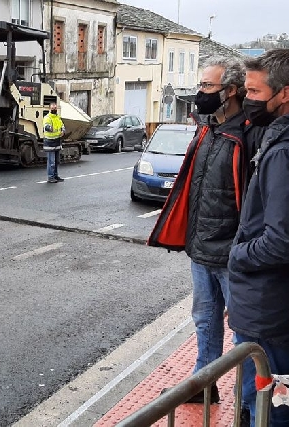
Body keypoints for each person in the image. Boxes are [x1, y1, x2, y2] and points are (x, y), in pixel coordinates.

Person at [148, 56, 262, 404]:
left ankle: (248, 405)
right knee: (204, 322)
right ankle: (203, 387)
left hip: (233, 257)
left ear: (230, 91)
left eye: (207, 86)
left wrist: (243, 251)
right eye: (201, 86)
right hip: (201, 252)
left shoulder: (248, 134)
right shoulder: (208, 128)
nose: (200, 93)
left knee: (244, 335)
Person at [228, 48, 289, 427]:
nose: (247, 101)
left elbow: (280, 240)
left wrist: (238, 256)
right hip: (265, 305)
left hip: (268, 311)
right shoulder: (273, 138)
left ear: (284, 94)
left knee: (266, 408)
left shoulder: (281, 152)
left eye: (254, 93)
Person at [43, 102, 65, 183]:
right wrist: (51, 129)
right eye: (52, 108)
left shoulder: (58, 117)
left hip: (57, 141)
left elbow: (62, 125)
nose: (54, 109)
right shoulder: (47, 117)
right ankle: (50, 177)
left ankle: (55, 175)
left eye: (55, 108)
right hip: (49, 142)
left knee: (56, 161)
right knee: (51, 162)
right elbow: (46, 126)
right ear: (49, 109)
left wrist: (63, 130)